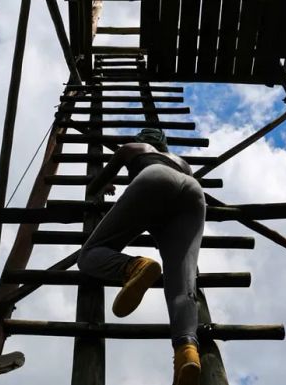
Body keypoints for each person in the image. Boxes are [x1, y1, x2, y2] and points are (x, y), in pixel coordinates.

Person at [77, 128, 205, 385]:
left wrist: (105, 184)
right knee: (182, 283)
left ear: (141, 140)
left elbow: (96, 184)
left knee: (89, 255)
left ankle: (134, 267)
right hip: (193, 192)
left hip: (153, 180)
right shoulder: (182, 162)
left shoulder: (132, 149)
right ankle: (186, 351)